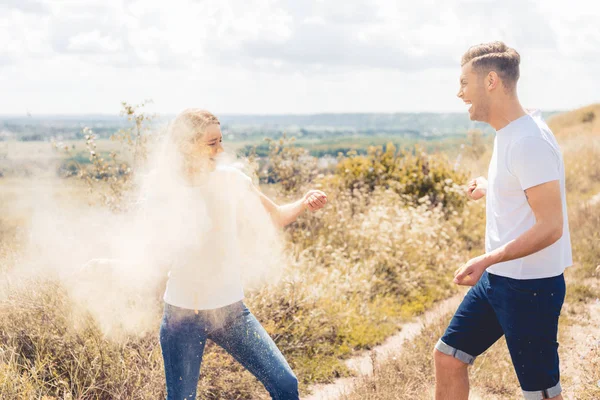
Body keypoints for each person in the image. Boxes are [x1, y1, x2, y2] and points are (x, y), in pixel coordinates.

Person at [152, 109, 327, 399]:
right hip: (182, 316)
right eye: (212, 143)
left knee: (285, 386)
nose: (220, 150)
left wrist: (304, 202)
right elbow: (148, 251)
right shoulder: (167, 191)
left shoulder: (232, 180)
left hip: (231, 311)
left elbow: (275, 217)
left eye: (220, 141)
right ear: (186, 145)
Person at [433, 42, 572, 400]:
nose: (459, 92)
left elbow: (550, 226)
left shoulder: (528, 141)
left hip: (530, 288)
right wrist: (489, 186)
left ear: (491, 81)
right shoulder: (510, 131)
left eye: (465, 82)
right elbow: (521, 185)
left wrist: (486, 259)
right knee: (448, 358)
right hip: (499, 281)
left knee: (541, 394)